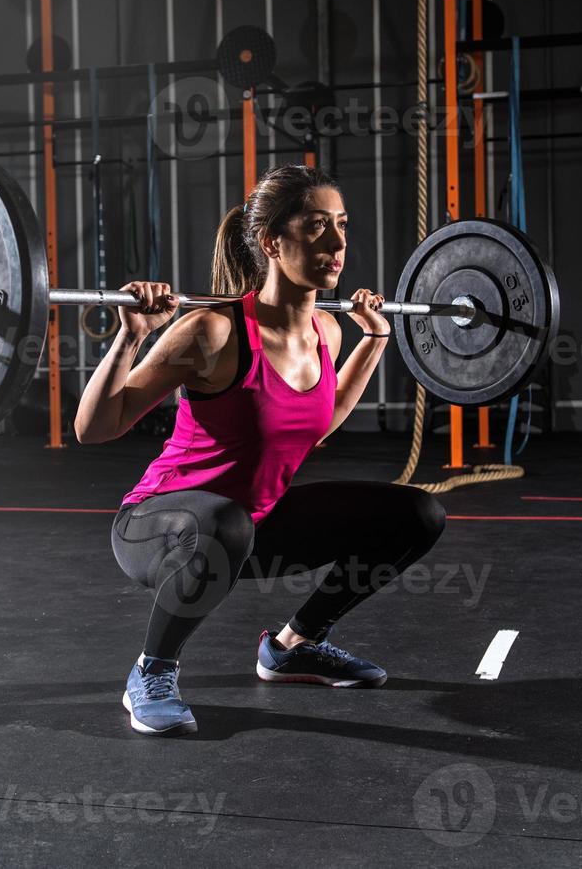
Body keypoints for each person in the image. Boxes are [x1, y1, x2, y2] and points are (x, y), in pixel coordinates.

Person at [74, 165, 447, 736]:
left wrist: (374, 341)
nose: (338, 243)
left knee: (418, 513)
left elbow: (316, 423)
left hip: (247, 529)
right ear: (273, 242)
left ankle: (294, 646)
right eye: (317, 226)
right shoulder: (212, 332)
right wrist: (133, 333)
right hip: (158, 530)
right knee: (226, 521)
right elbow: (95, 428)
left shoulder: (329, 332)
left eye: (343, 226)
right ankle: (151, 672)